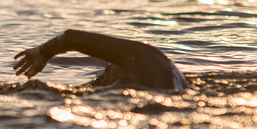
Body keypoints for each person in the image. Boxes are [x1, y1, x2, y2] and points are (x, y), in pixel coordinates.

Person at [13, 30, 189, 92]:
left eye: (110, 65)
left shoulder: (141, 58)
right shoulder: (168, 71)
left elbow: (69, 37)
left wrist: (43, 52)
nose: (110, 61)